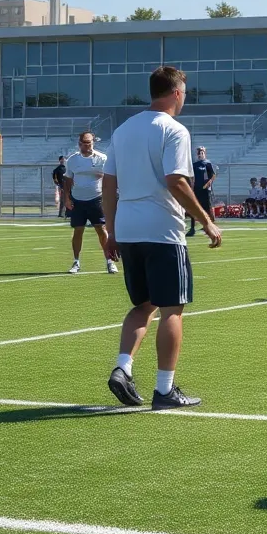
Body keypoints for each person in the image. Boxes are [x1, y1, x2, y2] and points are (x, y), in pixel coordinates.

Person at [104, 66, 222, 411]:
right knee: (172, 308)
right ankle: (165, 390)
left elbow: (108, 185)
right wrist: (207, 221)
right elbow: (176, 181)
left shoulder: (123, 130)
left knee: (143, 306)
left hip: (128, 227)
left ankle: (123, 367)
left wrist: (111, 231)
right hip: (162, 229)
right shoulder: (174, 130)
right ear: (176, 93)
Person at [64, 131, 117, 275]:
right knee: (78, 230)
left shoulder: (102, 158)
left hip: (97, 199)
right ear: (79, 143)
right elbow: (68, 179)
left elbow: (109, 178)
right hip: (78, 201)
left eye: (88, 142)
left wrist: (109, 198)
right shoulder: (72, 160)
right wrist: (67, 198)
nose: (85, 145)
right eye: (83, 143)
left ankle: (109, 262)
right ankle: (76, 262)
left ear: (93, 142)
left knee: (101, 230)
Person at [186, 146, 215, 236]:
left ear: (204, 153)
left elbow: (213, 175)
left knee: (207, 208)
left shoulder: (207, 163)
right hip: (196, 189)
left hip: (205, 189)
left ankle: (209, 226)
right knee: (194, 207)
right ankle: (192, 228)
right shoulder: (195, 165)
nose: (200, 154)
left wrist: (207, 184)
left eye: (202, 153)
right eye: (199, 153)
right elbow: (191, 176)